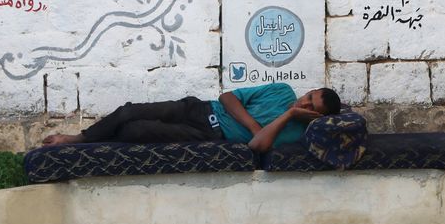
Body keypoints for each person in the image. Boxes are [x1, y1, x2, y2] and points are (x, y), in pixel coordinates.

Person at [42, 83, 341, 153]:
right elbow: (228, 97)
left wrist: (290, 115)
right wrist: (252, 125)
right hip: (201, 109)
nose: (304, 103)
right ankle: (76, 138)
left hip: (210, 136)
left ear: (318, 117)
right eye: (309, 97)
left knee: (137, 130)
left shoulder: (294, 132)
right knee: (129, 111)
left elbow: (256, 146)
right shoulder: (281, 91)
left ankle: (86, 146)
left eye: (312, 107)